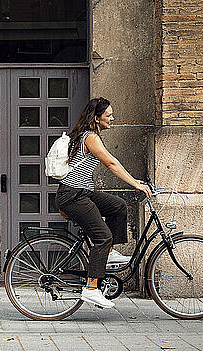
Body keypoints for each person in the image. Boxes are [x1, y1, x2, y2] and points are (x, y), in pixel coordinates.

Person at [55, 97, 152, 308]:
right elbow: (111, 163)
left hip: (83, 193)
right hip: (73, 196)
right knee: (103, 236)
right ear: (96, 118)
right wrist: (135, 183)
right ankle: (91, 288)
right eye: (108, 115)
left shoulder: (90, 135)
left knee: (117, 206)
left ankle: (106, 254)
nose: (112, 118)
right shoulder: (90, 137)